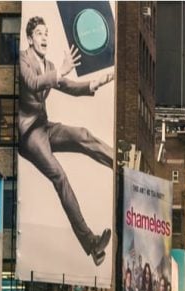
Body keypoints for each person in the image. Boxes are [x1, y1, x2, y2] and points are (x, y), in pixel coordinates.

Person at [18, 15, 114, 265]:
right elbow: (33, 83)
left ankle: (121, 166)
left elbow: (69, 86)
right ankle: (91, 243)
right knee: (59, 177)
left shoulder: (50, 66)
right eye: (39, 33)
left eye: (46, 33)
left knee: (82, 134)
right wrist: (61, 70)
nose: (45, 37)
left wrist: (96, 83)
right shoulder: (22, 59)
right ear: (30, 38)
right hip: (28, 135)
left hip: (44, 126)